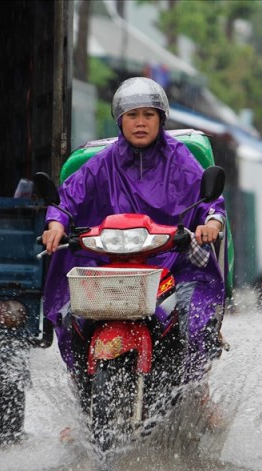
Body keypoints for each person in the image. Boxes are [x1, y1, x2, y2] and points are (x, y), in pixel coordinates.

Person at [40, 77, 228, 387]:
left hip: (172, 263)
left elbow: (210, 205)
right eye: (132, 115)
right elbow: (67, 199)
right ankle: (79, 394)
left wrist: (210, 225)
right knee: (70, 318)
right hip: (107, 264)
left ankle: (199, 390)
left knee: (194, 321)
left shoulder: (181, 161)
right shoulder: (102, 165)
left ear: (161, 119)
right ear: (120, 120)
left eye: (148, 115)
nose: (140, 123)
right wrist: (56, 225)